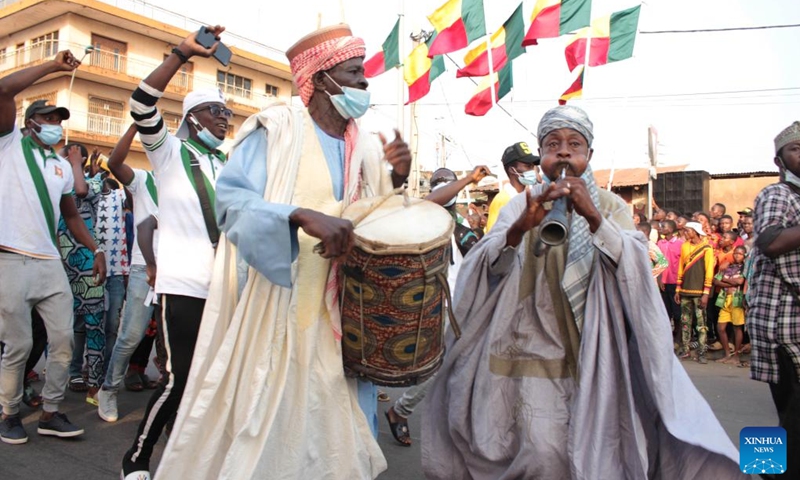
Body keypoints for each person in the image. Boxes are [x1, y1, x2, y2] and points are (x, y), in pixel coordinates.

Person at [421, 105, 744, 479]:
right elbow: (484, 267)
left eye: (574, 144)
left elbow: (636, 264)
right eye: (552, 144)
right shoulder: (518, 205)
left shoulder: (609, 206)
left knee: (591, 445)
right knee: (541, 450)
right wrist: (519, 228)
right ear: (541, 156)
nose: (562, 152)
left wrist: (593, 217)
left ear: (588, 155)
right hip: (526, 347)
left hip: (594, 347)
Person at [155, 24, 410, 480]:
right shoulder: (274, 130)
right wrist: (297, 215)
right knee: (274, 428)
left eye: (364, 72)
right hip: (282, 308)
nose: (364, 83)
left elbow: (377, 217)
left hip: (346, 316)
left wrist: (398, 182)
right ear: (321, 78)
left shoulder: (365, 145)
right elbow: (232, 206)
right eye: (354, 72)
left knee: (342, 436)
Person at [120, 27, 230, 479]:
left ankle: (189, 455)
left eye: (226, 112)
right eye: (214, 111)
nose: (224, 118)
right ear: (193, 118)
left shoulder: (227, 164)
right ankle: (137, 458)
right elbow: (142, 104)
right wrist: (182, 53)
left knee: (214, 380)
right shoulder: (168, 152)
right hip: (183, 284)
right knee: (177, 378)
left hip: (224, 287)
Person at [0, 52, 107, 445]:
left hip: (50, 263)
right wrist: (53, 65)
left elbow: (73, 217)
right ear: (30, 123)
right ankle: (9, 413)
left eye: (60, 120)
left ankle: (50, 411)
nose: (56, 126)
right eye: (49, 119)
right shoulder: (8, 143)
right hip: (9, 258)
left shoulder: (61, 167)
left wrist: (96, 249)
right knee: (20, 344)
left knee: (63, 341)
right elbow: (4, 89)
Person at [384, 165, 490, 447]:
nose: (444, 191)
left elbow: (482, 263)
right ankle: (401, 410)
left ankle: (458, 426)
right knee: (441, 367)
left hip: (461, 305)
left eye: (448, 185)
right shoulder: (423, 220)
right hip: (437, 307)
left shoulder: (465, 230)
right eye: (440, 186)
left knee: (465, 366)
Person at [97, 124, 160, 423]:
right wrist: (137, 123)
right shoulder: (144, 180)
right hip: (142, 270)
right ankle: (108, 390)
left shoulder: (191, 182)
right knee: (131, 336)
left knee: (177, 340)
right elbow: (114, 164)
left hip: (181, 270)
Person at [748, 120, 800, 479]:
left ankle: (762, 470)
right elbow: (770, 241)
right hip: (782, 324)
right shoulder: (776, 194)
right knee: (792, 415)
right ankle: (764, 471)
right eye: (796, 149)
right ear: (779, 160)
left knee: (789, 417)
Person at [95, 174, 130, 376]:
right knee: (92, 325)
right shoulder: (90, 201)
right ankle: (85, 368)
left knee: (112, 326)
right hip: (94, 270)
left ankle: (105, 369)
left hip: (116, 273)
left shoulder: (121, 202)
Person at [674, 221, 715, 363]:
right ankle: (686, 350)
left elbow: (709, 270)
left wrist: (706, 293)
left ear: (695, 232)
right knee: (685, 320)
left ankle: (702, 351)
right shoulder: (685, 246)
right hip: (685, 289)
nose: (685, 233)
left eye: (688, 231)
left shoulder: (707, 248)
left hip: (699, 291)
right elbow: (681, 267)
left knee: (701, 323)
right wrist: (678, 289)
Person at [485, 141, 540, 233]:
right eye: (528, 166)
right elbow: (494, 238)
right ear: (512, 170)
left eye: (533, 166)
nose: (533, 170)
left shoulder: (528, 197)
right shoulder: (502, 200)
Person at [713, 246, 746, 365]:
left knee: (737, 327)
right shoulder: (728, 267)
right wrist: (729, 284)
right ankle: (727, 354)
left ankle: (736, 355)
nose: (737, 256)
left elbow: (740, 282)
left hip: (737, 299)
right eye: (736, 253)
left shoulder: (745, 268)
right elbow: (716, 281)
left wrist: (725, 281)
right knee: (720, 328)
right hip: (725, 299)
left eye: (740, 254)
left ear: (744, 256)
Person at [658, 219, 684, 346]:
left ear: (671, 229)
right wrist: (659, 279)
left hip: (675, 281)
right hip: (664, 281)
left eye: (664, 226)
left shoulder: (680, 244)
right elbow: (658, 262)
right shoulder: (660, 243)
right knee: (665, 311)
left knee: (677, 312)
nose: (661, 228)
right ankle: (666, 338)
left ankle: (678, 338)